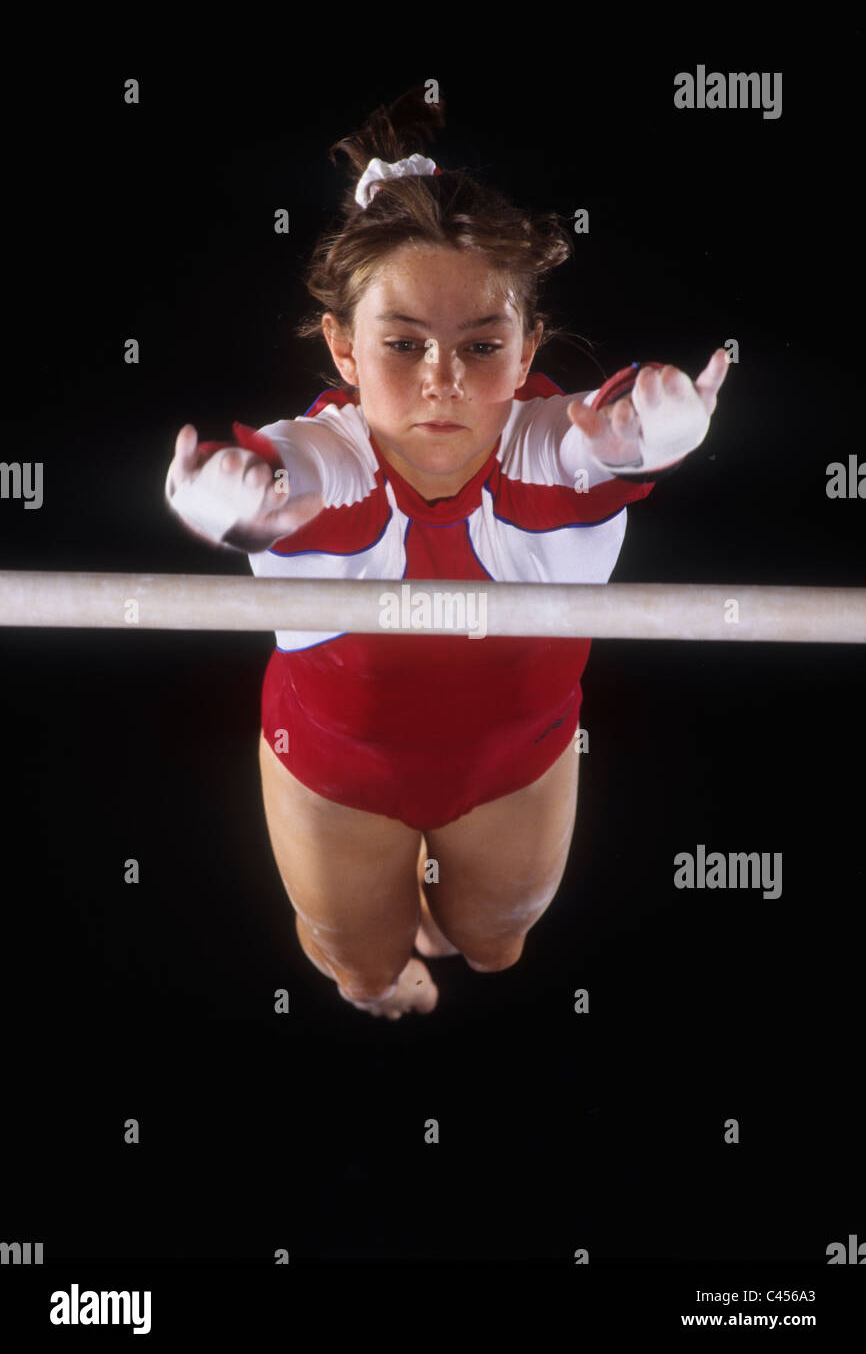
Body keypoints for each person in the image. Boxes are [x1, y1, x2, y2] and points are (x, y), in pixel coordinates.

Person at [164, 84, 729, 1021]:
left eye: (479, 345)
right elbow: (290, 472)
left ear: (528, 345)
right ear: (342, 350)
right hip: (336, 771)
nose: (442, 382)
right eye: (402, 343)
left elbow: (601, 447)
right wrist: (237, 504)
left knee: (497, 948)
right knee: (363, 972)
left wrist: (653, 438)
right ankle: (384, 966)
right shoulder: (328, 458)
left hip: (518, 758)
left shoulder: (550, 449)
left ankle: (435, 925)